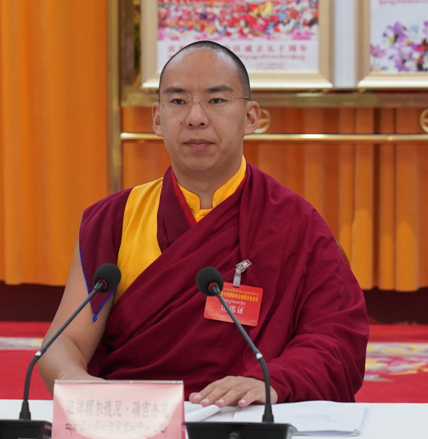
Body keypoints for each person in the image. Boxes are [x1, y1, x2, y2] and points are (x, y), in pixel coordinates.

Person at [38, 41, 369, 409]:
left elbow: (336, 339)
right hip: (136, 417)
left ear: (250, 117)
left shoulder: (294, 223)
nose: (195, 117)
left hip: (245, 417)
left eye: (216, 100)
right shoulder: (115, 219)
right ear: (157, 118)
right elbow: (64, 342)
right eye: (178, 101)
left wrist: (272, 381)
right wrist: (80, 384)